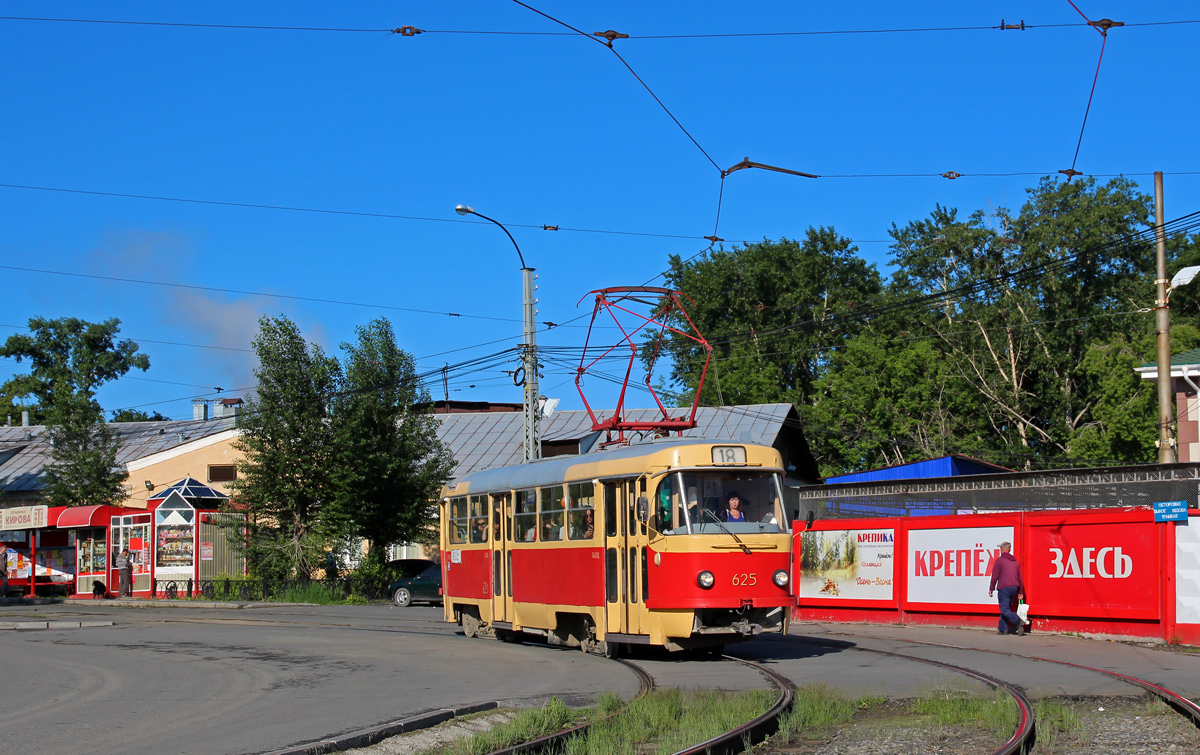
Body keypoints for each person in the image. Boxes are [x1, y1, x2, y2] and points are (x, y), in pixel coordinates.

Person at [988, 541, 1028, 635]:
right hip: (1014, 588)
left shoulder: (1000, 560)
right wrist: (1020, 591)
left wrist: (991, 588)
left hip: (1004, 588)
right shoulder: (1015, 562)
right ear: (1009, 549)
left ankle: (1018, 621)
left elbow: (995, 576)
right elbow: (1019, 578)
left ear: (1002, 549)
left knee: (1004, 609)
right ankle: (1003, 629)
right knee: (1007, 609)